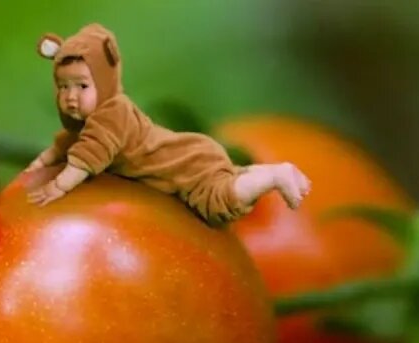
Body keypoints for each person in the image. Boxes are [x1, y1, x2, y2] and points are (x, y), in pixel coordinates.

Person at [23, 23, 311, 226]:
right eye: (64, 88)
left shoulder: (110, 117)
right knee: (226, 179)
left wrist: (57, 188)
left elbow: (84, 162)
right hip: (189, 155)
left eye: (82, 87)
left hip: (185, 165)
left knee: (218, 202)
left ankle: (275, 176)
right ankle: (258, 174)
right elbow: (64, 147)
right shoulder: (91, 123)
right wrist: (36, 168)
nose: (71, 97)